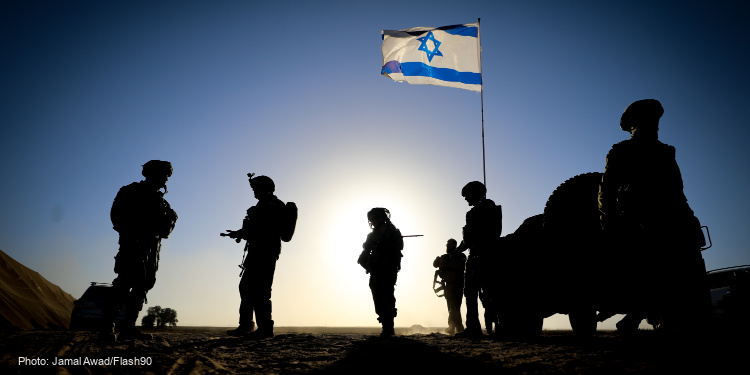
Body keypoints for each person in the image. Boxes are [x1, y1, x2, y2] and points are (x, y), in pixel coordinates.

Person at [598, 99, 709, 333]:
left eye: (656, 121)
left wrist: (690, 218)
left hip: (675, 219)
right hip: (639, 220)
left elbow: (677, 190)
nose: (654, 125)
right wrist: (609, 221)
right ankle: (638, 313)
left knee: (690, 278)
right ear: (634, 125)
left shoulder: (666, 153)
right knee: (652, 269)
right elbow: (606, 190)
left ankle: (648, 315)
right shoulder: (621, 152)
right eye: (648, 121)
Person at [102, 160, 177, 342]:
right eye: (163, 176)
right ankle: (107, 328)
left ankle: (129, 327)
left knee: (143, 285)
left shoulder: (162, 203)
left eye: (167, 176)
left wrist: (170, 219)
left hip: (152, 250)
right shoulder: (130, 191)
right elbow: (117, 217)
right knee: (123, 283)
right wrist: (134, 232)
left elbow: (165, 231)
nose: (166, 180)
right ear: (151, 174)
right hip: (132, 245)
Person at [224, 174, 287, 339]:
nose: (253, 190)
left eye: (256, 187)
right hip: (257, 251)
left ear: (265, 187)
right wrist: (239, 233)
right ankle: (247, 325)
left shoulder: (272, 205)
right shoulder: (264, 205)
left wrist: (244, 231)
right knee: (246, 287)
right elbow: (256, 229)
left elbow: (264, 229)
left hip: (265, 252)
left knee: (261, 290)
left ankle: (264, 328)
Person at [454, 181, 502, 338]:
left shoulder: (479, 212)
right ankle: (487, 327)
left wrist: (458, 250)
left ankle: (481, 327)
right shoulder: (491, 209)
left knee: (481, 293)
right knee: (480, 293)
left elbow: (469, 238)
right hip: (484, 256)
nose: (467, 200)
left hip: (482, 257)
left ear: (475, 194)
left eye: (468, 196)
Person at [358, 208, 404, 336]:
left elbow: (399, 247)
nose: (373, 221)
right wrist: (367, 263)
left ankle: (388, 326)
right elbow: (363, 256)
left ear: (382, 218)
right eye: (371, 219)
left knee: (387, 296)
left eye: (374, 218)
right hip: (375, 270)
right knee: (377, 298)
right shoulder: (371, 236)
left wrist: (382, 245)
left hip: (389, 269)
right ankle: (384, 321)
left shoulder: (394, 232)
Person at [433, 238, 466, 334]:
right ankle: (459, 327)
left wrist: (446, 264)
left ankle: (453, 327)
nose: (448, 246)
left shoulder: (460, 255)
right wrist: (437, 261)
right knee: (451, 307)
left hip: (458, 284)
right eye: (447, 245)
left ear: (455, 246)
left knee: (454, 307)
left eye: (450, 245)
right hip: (448, 285)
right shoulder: (444, 257)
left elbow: (460, 266)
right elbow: (435, 265)